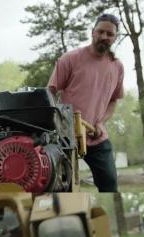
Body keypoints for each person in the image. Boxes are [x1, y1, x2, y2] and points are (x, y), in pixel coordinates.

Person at [48, 13, 124, 192]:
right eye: (101, 31)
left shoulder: (117, 67)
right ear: (93, 32)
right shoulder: (70, 59)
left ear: (115, 37)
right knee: (63, 187)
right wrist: (58, 124)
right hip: (67, 136)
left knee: (110, 184)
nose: (104, 37)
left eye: (110, 34)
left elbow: (113, 101)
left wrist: (101, 122)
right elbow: (50, 92)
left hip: (96, 136)